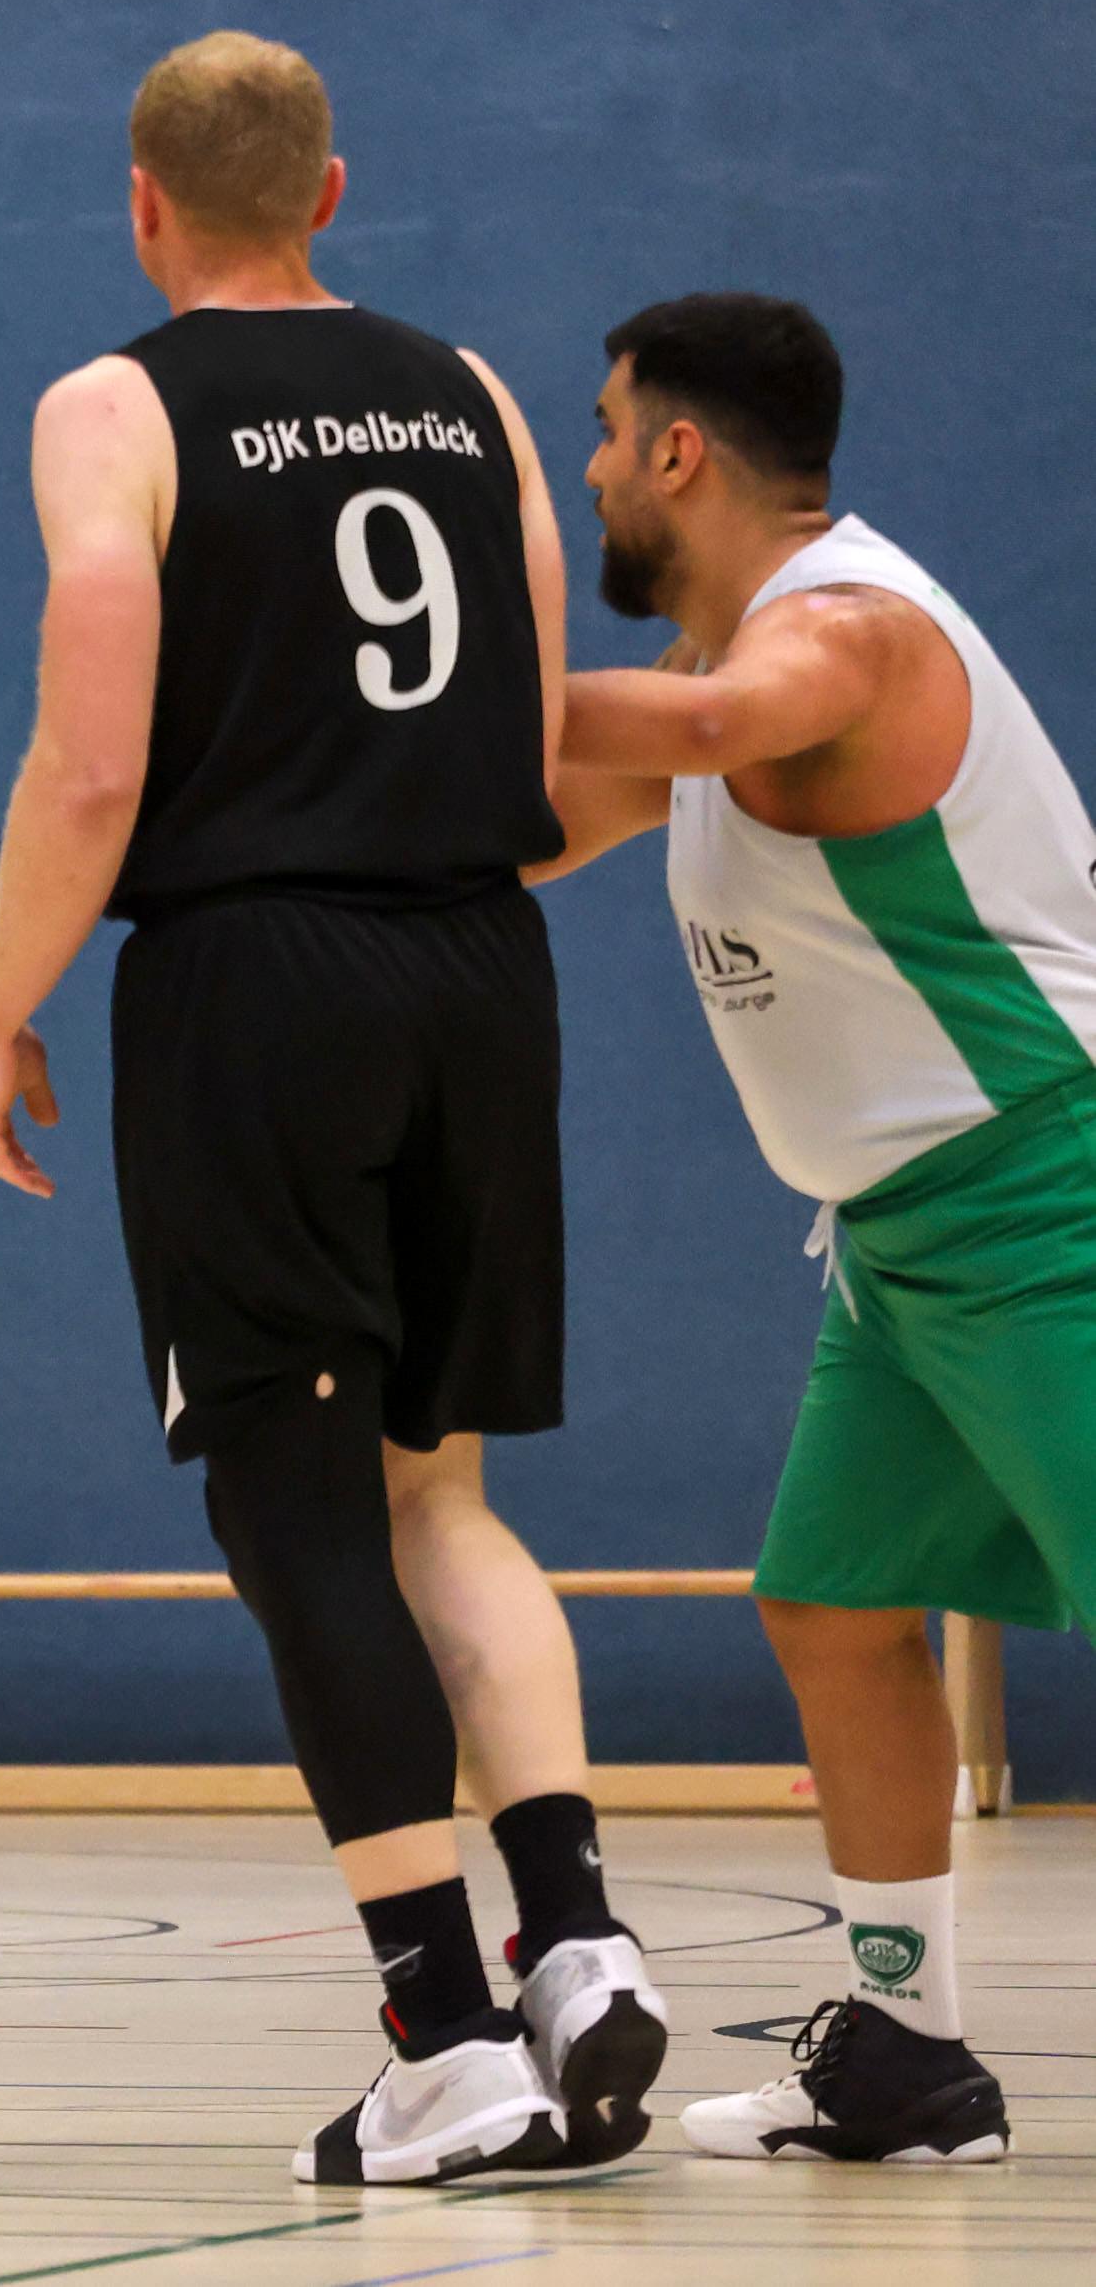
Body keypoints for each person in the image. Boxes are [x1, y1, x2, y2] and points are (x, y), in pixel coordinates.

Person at [0, 35, 667, 2183]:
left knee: (293, 1506)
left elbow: (93, 755)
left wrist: (1, 999)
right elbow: (532, 730)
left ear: (142, 202)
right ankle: (577, 1940)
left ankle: (443, 2040)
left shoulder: (113, 406)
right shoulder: (469, 391)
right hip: (479, 962)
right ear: (329, 193)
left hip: (256, 979)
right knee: (437, 1492)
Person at [539, 292, 1065, 2166]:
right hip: (901, 1235)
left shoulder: (839, 630)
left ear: (677, 450)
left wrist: (412, 665)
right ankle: (905, 2053)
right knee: (834, 1604)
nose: (589, 468)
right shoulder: (716, 668)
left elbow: (704, 725)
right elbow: (521, 825)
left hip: (1046, 1191)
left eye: (604, 432)